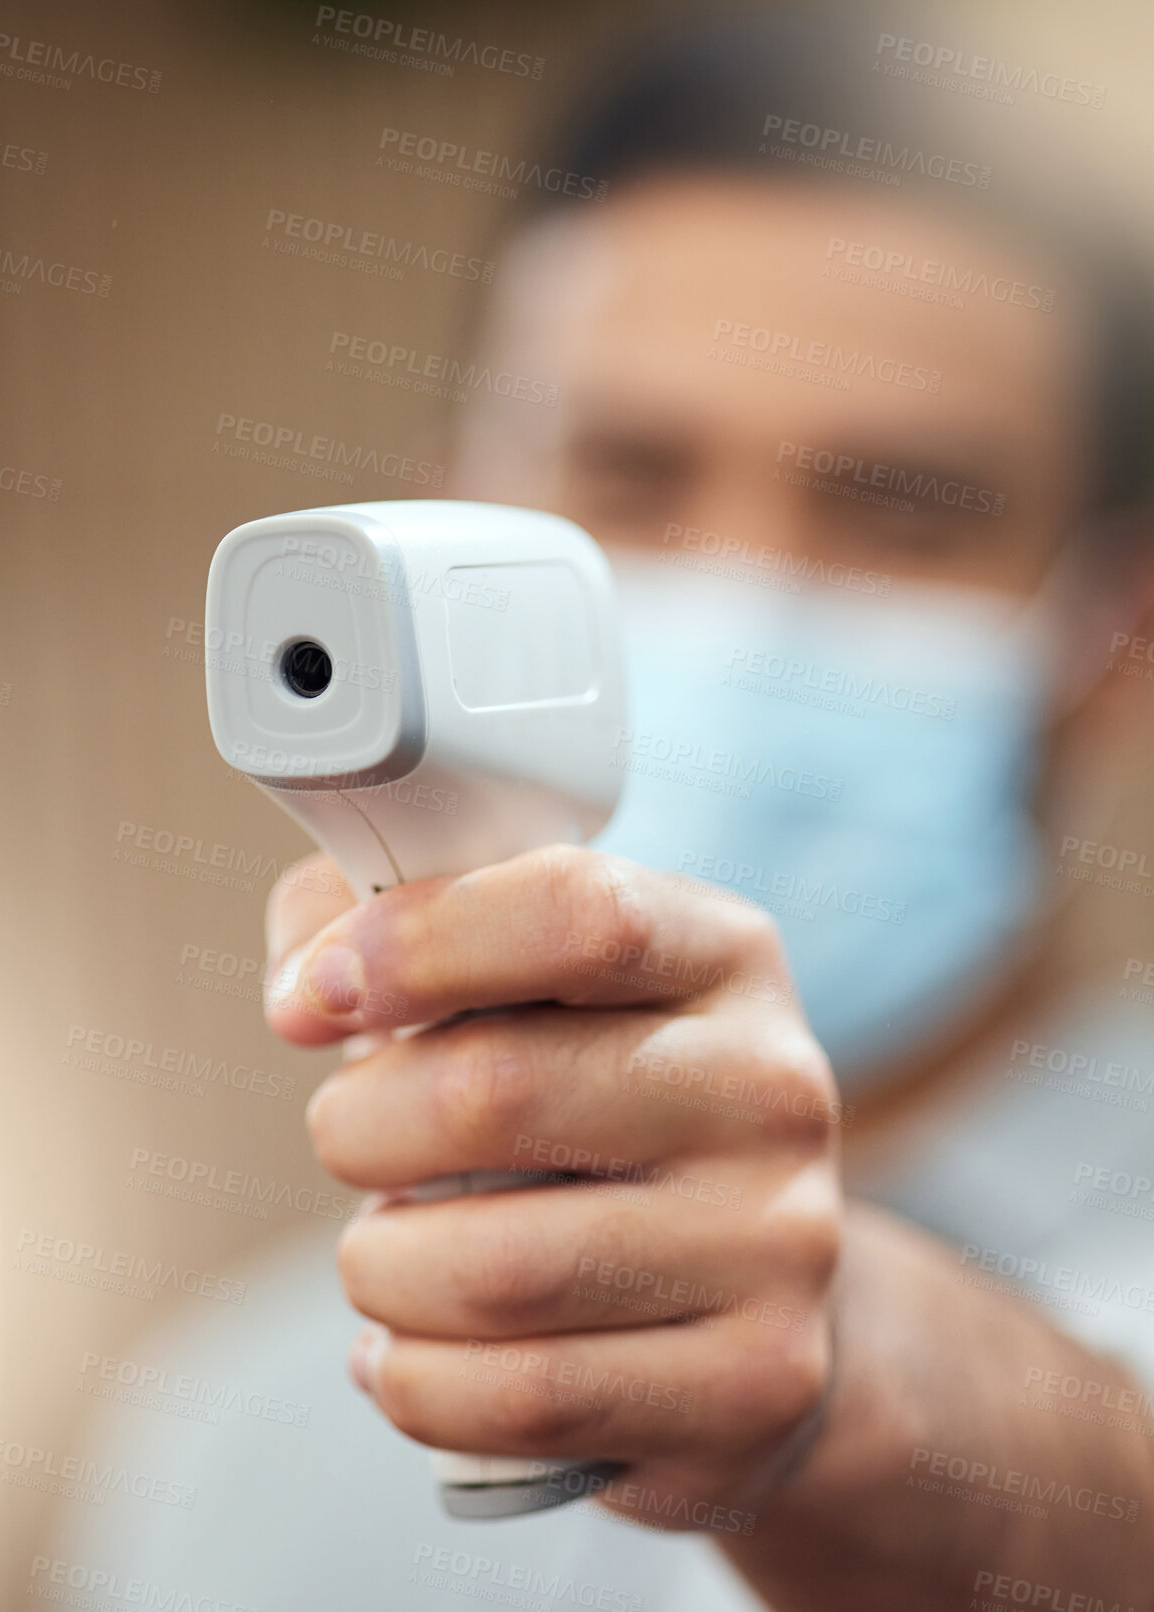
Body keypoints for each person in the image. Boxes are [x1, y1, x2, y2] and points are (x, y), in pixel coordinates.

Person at [63, 13, 1154, 1608]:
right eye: (628, 478)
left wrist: (852, 1398)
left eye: (899, 510)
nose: (743, 593)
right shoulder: (229, 1446)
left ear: (1115, 632)